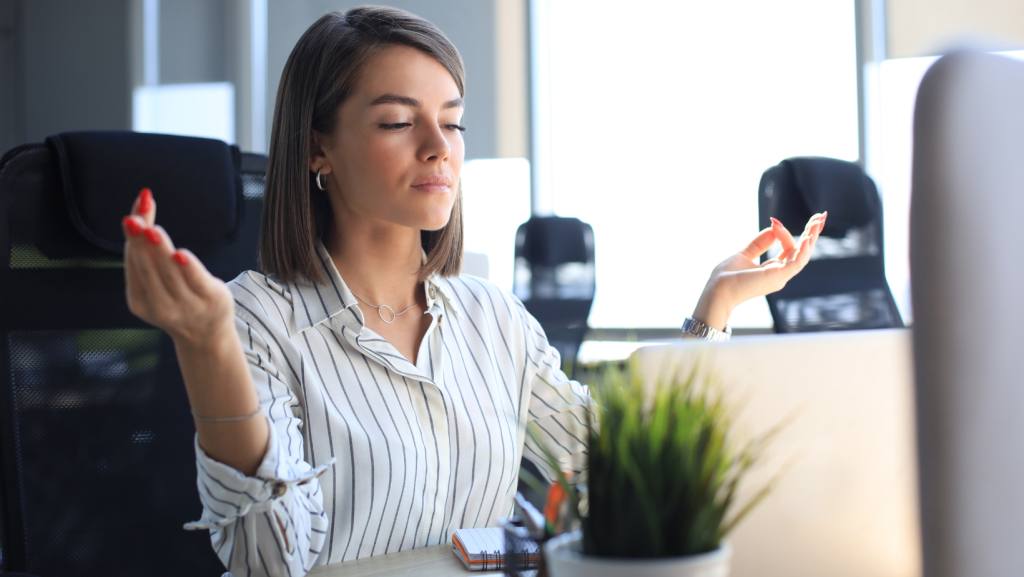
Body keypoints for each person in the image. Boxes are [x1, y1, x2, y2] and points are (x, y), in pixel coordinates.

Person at [120, 7, 825, 576]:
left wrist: (715, 309)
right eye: (399, 121)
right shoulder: (258, 319)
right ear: (317, 149)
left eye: (453, 121)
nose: (440, 146)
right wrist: (207, 343)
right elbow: (271, 562)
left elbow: (612, 472)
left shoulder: (493, 315)